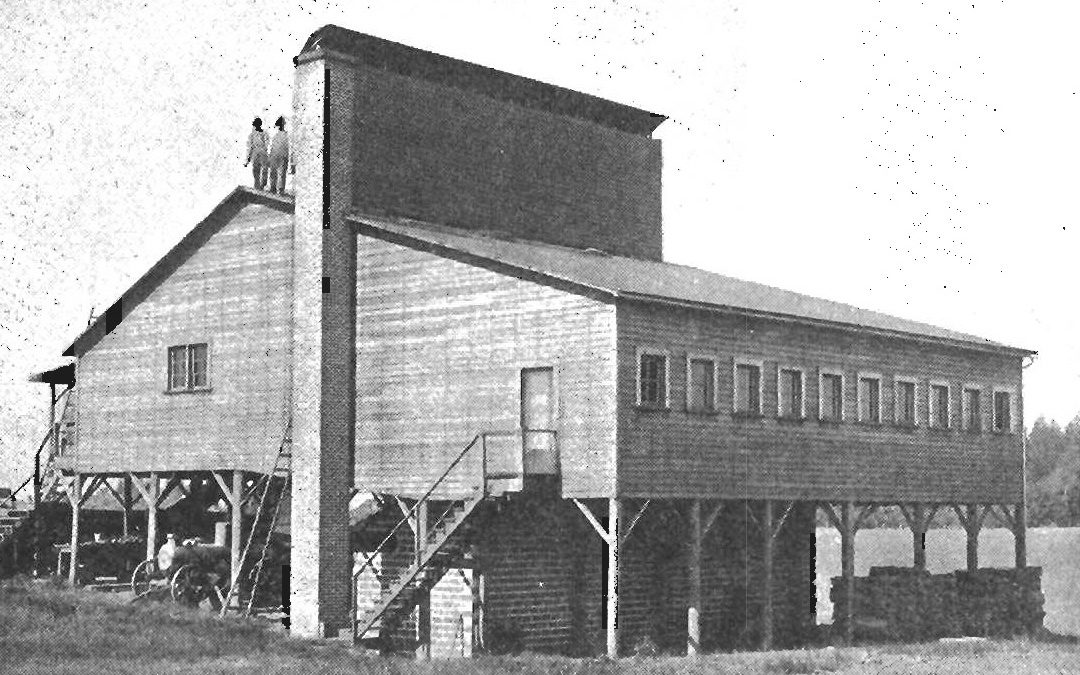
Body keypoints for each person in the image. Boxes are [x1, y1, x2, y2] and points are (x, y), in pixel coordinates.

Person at [244, 117, 269, 190]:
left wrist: (264, 151)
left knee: (264, 169)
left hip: (262, 152)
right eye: (255, 124)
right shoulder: (252, 135)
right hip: (255, 153)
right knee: (256, 171)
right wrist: (247, 160)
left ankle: (263, 185)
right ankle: (257, 186)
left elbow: (267, 144)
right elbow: (250, 147)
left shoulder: (265, 133)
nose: (256, 126)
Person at [268, 116, 290, 194]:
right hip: (275, 156)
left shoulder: (287, 135)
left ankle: (280, 190)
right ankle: (273, 188)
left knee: (281, 174)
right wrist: (270, 158)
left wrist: (292, 162)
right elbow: (272, 148)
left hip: (283, 156)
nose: (280, 126)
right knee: (273, 173)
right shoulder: (275, 136)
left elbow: (290, 148)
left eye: (281, 124)